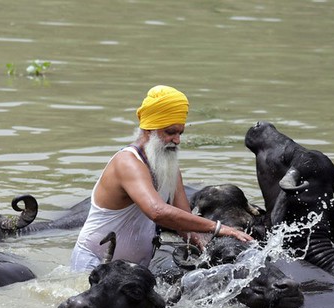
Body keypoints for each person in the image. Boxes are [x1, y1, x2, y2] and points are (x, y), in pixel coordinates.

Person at [70, 85, 253, 271]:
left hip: (137, 271)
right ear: (149, 129)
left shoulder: (169, 167)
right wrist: (219, 227)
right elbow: (157, 211)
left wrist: (209, 247)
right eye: (170, 132)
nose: (177, 140)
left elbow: (184, 223)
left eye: (180, 133)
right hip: (94, 265)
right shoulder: (127, 162)